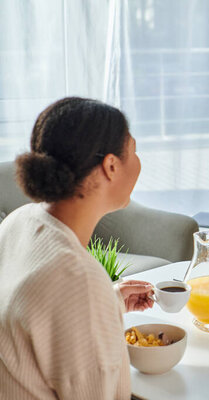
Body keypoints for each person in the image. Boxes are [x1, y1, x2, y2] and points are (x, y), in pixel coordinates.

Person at [0, 97, 154, 399]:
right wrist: (94, 301)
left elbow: (29, 318)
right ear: (111, 166)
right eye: (134, 151)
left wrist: (107, 304)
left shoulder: (19, 222)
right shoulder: (79, 281)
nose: (138, 163)